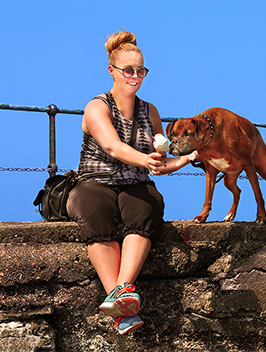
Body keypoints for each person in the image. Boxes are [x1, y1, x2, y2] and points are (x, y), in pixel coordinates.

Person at [66, 30, 196, 335]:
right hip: (93, 181)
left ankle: (121, 295)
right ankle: (122, 301)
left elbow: (158, 164)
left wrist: (187, 159)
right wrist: (145, 160)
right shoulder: (97, 107)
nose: (135, 76)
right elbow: (112, 147)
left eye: (140, 70)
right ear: (112, 71)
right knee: (97, 215)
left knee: (148, 207)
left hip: (134, 183)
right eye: (128, 70)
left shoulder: (149, 111)